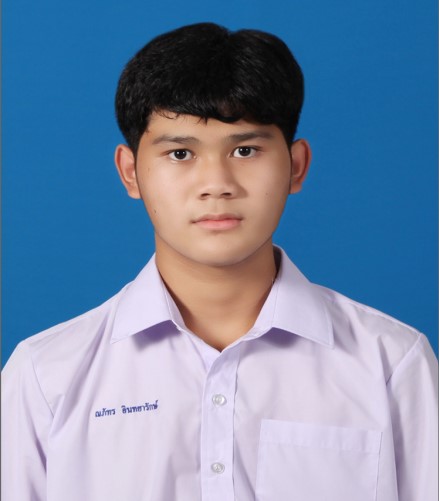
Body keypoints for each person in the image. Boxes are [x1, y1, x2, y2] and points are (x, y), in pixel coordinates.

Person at [1, 22, 437, 501]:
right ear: (130, 172)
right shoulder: (46, 376)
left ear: (296, 166)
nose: (217, 184)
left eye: (245, 150)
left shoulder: (391, 364)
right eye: (180, 153)